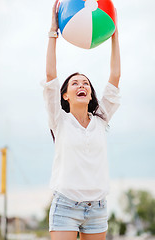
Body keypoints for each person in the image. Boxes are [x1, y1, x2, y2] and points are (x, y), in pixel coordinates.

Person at [42, 0, 121, 239]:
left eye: (85, 82)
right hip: (66, 205)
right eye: (75, 83)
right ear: (64, 95)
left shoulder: (101, 118)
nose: (81, 85)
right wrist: (53, 31)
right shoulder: (59, 119)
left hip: (97, 208)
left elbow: (115, 75)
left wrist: (114, 34)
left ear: (90, 94)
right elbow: (50, 75)